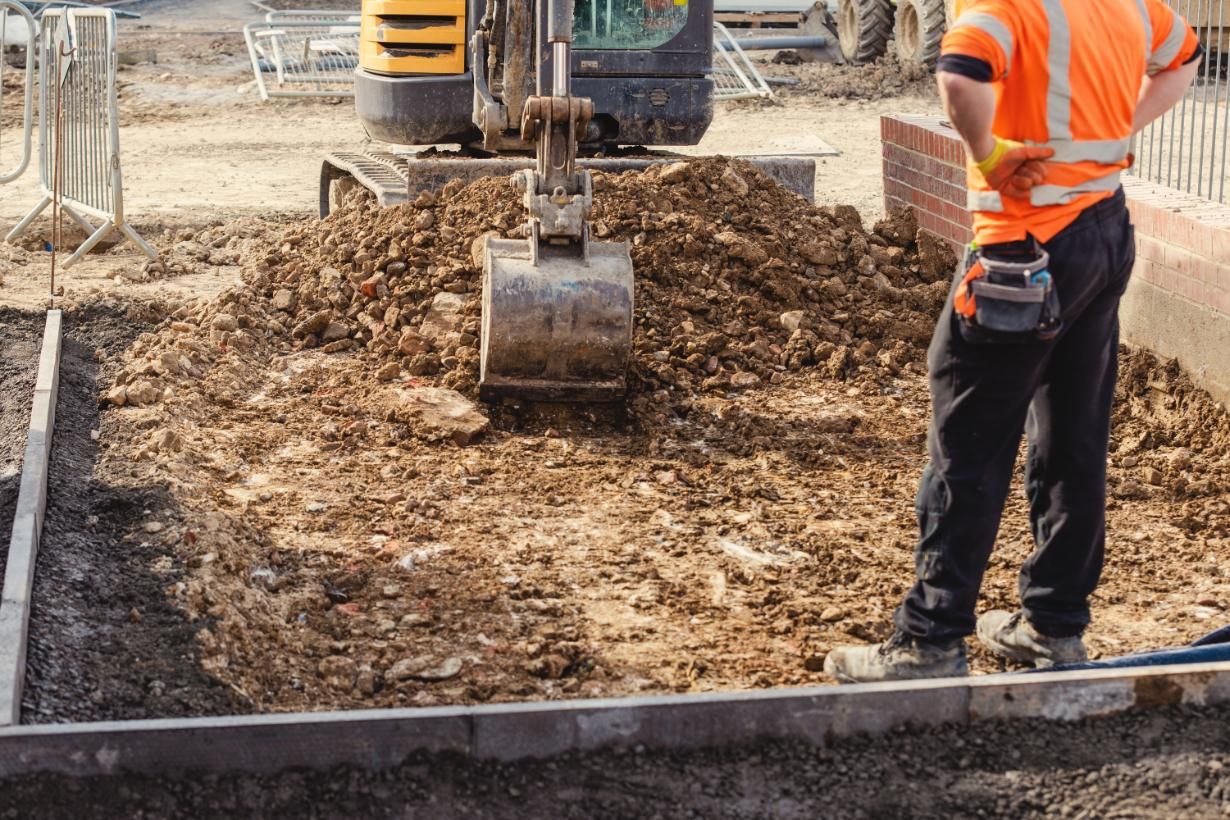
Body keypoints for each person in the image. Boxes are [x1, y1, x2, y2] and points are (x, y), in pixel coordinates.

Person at [824, 0, 1204, 682]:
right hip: (1102, 232)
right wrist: (1121, 129)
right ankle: (1054, 626)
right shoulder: (1125, 5)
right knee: (1074, 436)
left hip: (1022, 249)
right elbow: (1183, 59)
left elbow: (960, 77)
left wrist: (993, 156)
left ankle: (930, 640)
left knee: (967, 444)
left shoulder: (1004, 6)